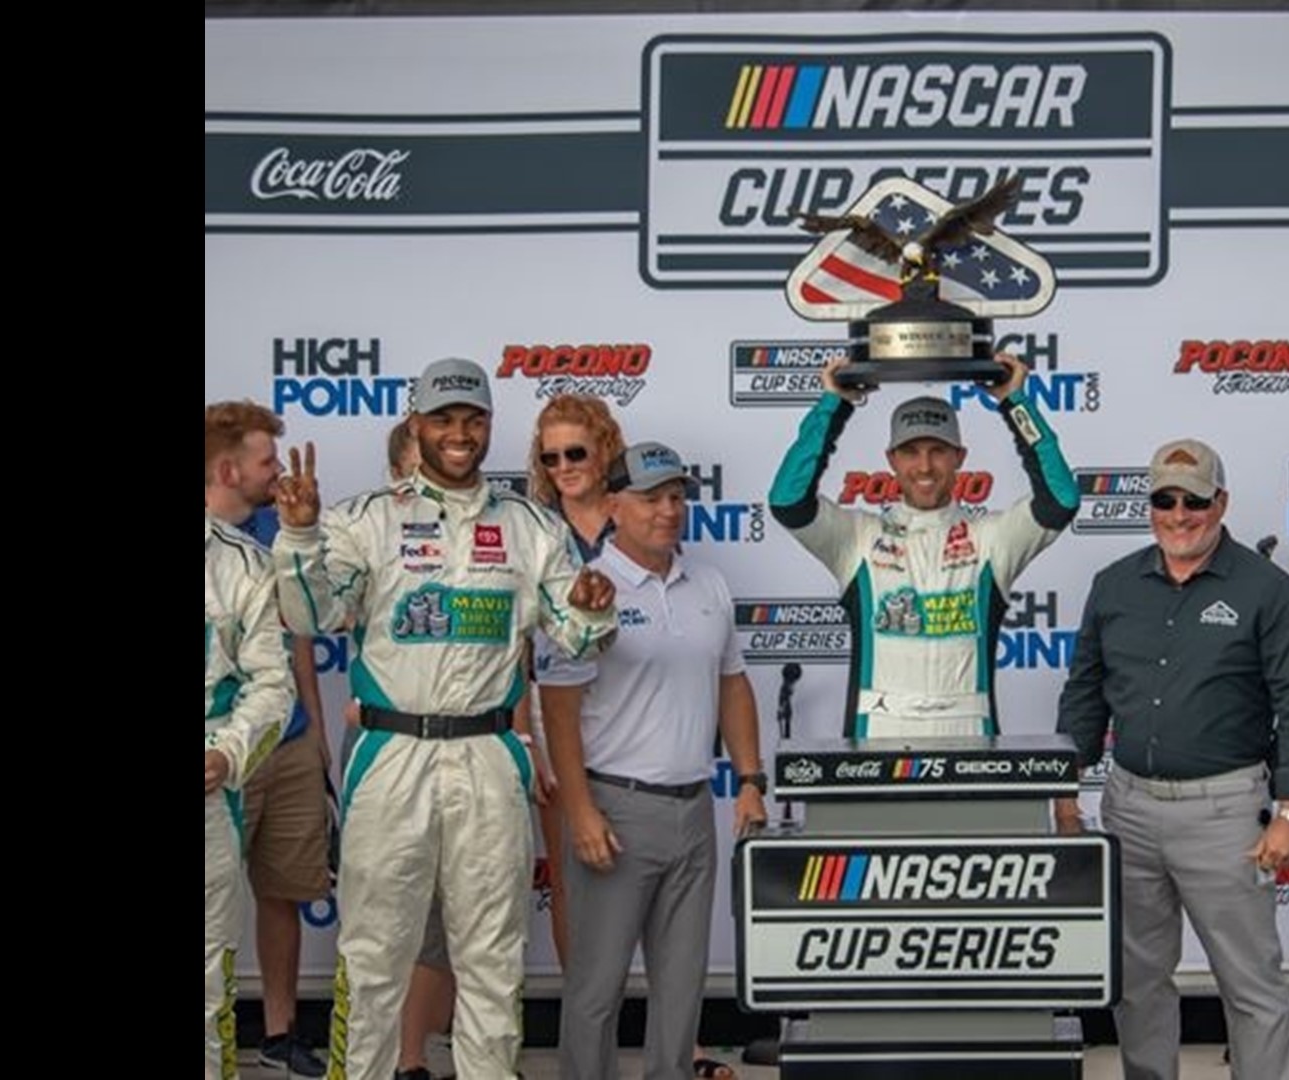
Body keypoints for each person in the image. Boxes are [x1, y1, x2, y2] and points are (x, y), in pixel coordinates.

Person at [271, 357, 618, 1080]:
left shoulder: (528, 525)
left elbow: (578, 638)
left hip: (490, 752)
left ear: (488, 425)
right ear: (417, 426)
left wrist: (591, 607)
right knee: (372, 958)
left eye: (473, 418)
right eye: (443, 419)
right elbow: (312, 614)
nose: (459, 433)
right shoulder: (369, 518)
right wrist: (300, 537)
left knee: (493, 957)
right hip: (392, 753)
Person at [1056, 439, 1289, 1080]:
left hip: (1226, 812)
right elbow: (1085, 692)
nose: (1179, 514)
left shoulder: (1269, 590)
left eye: (1194, 500)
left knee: (1250, 983)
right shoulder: (1114, 584)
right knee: (1138, 982)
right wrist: (1065, 791)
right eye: (1164, 499)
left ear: (1220, 502)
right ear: (1149, 504)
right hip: (1130, 809)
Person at [538, 441, 768, 1080]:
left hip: (693, 806)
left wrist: (749, 779)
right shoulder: (586, 588)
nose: (668, 510)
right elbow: (558, 709)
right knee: (596, 988)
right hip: (614, 806)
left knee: (681, 989)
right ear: (613, 505)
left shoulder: (710, 584)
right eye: (650, 498)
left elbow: (733, 684)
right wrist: (579, 811)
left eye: (677, 497)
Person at [769, 353, 1078, 736]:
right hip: (877, 737)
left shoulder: (990, 539)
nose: (925, 466)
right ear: (892, 460)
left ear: (959, 457)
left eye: (938, 451)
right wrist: (835, 405)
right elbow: (788, 500)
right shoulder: (859, 538)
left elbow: (1060, 500)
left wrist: (1015, 402)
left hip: (970, 739)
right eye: (911, 452)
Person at [205, 400, 332, 1077]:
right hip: (225, 754)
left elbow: (300, 647)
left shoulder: (286, 530)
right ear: (227, 469)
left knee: (282, 889)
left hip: (281, 741)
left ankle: (279, 1034)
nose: (278, 473)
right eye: (265, 462)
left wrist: (312, 738)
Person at [207, 497, 296, 1078]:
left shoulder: (240, 563)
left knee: (206, 983)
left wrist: (227, 754)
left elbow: (273, 686)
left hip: (207, 801)